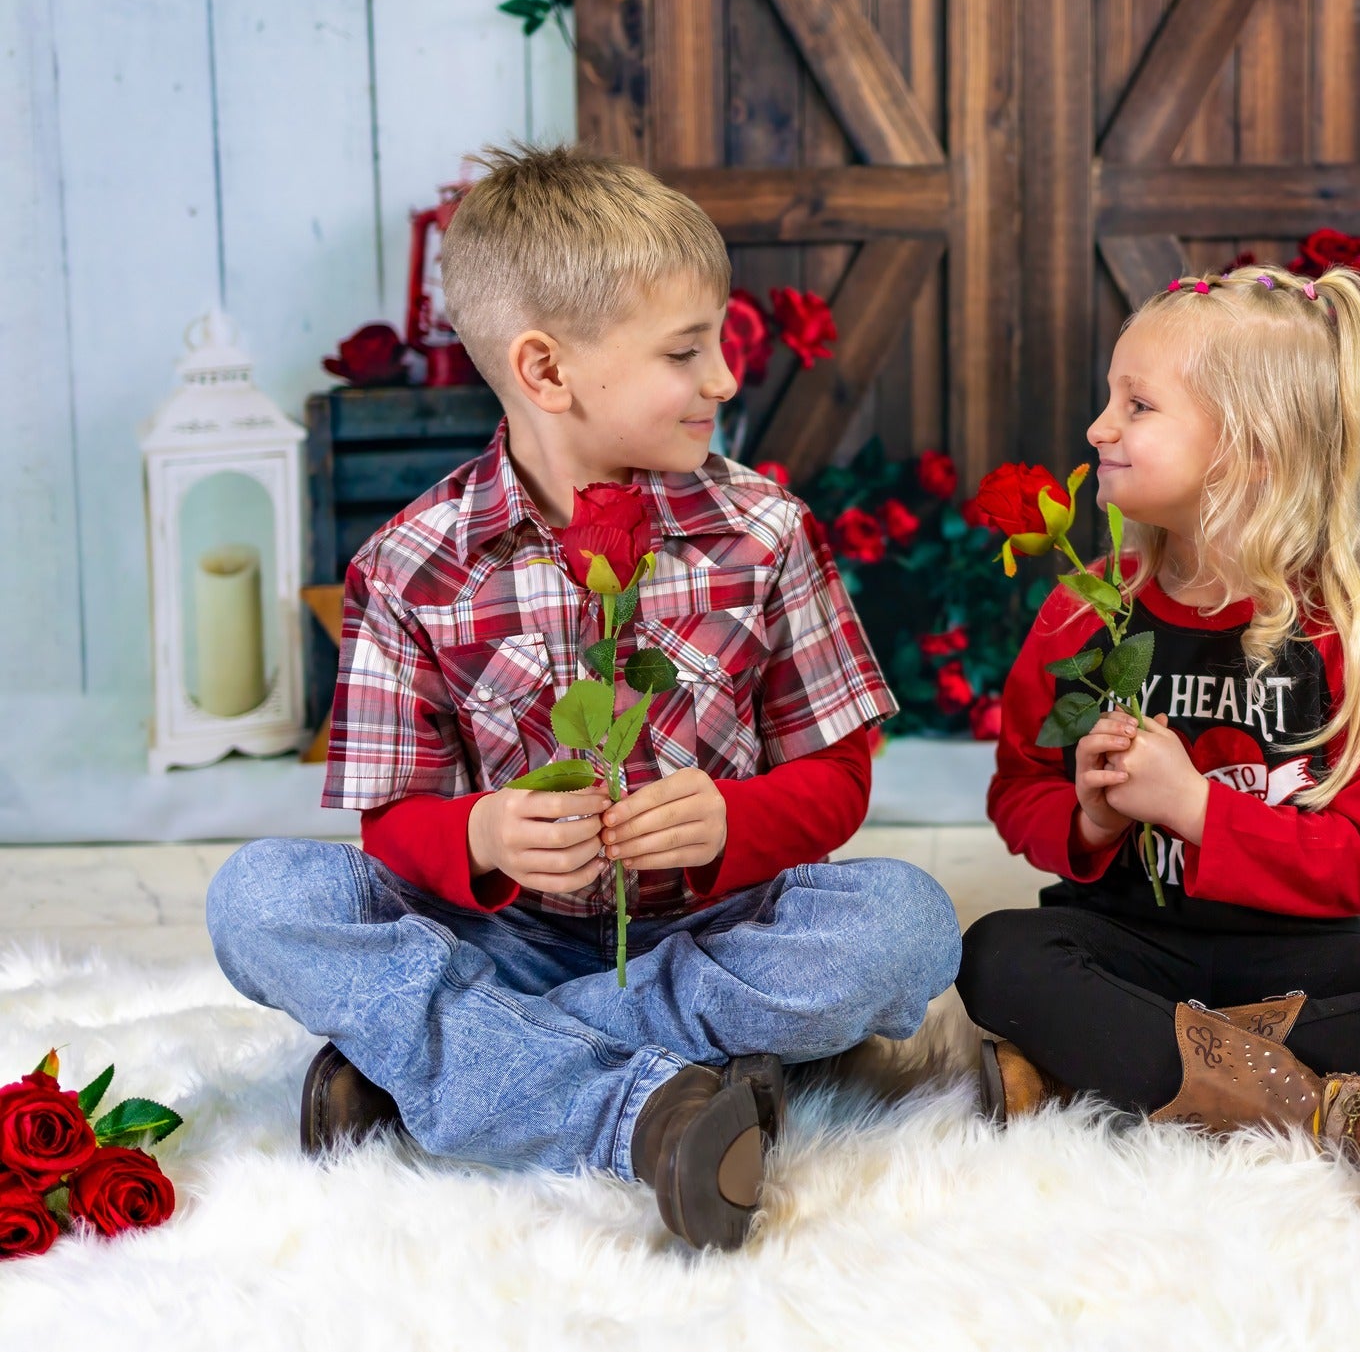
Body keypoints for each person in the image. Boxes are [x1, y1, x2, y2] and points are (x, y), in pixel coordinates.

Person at [206, 144, 959, 1251]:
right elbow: (392, 824)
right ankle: (648, 1108)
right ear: (548, 370)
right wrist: (483, 833)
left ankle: (455, 1067)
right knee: (259, 899)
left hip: (716, 927)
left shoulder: (764, 533)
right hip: (497, 935)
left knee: (906, 924)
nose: (722, 380)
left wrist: (730, 823)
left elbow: (839, 782)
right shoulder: (407, 565)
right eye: (684, 351)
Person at [956, 264, 1360, 1192]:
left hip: (1301, 963)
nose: (1099, 429)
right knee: (996, 956)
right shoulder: (1084, 612)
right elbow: (1019, 790)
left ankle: (1089, 1069)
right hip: (1130, 944)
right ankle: (1336, 1110)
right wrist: (1089, 822)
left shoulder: (1354, 631)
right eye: (1110, 398)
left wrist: (1197, 808)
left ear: (1248, 449)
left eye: (1137, 405)